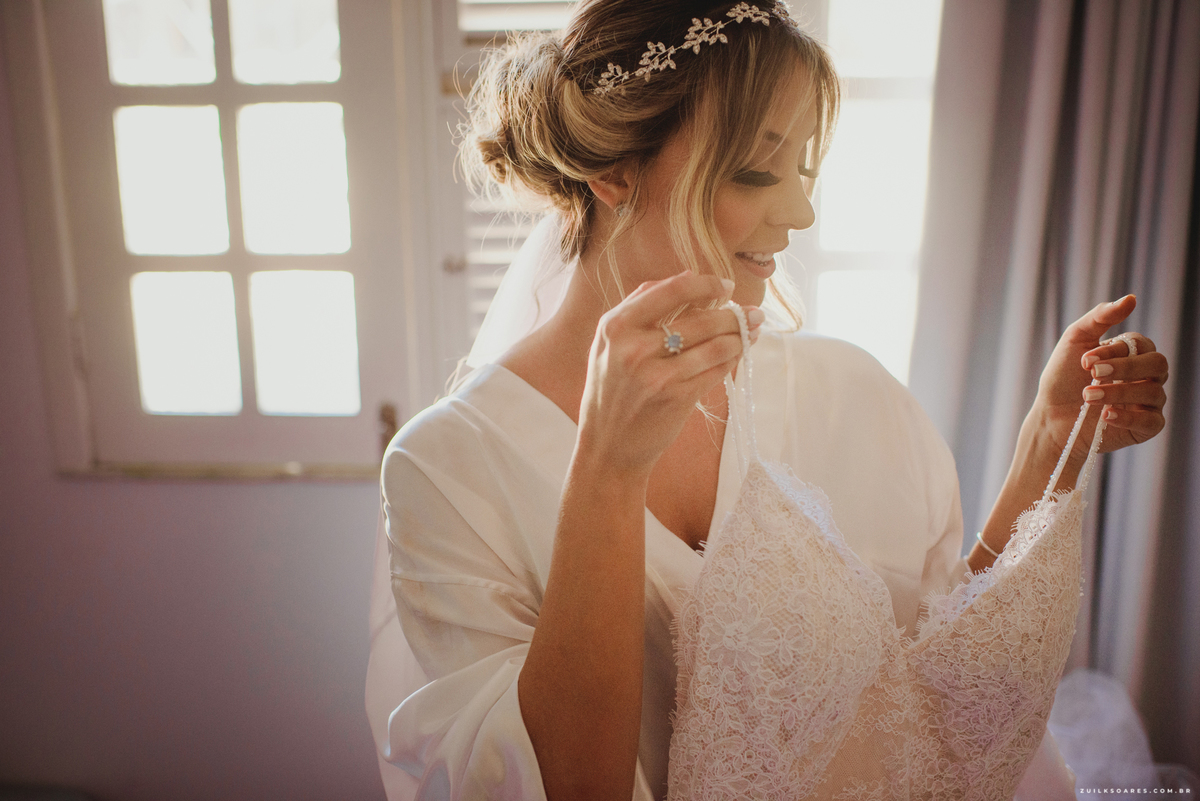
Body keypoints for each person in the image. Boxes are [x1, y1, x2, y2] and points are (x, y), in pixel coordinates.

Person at [365, 1, 1171, 799]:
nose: (799, 213)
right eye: (757, 168)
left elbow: (929, 699)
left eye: (803, 170)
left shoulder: (853, 393)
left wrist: (1047, 447)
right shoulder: (447, 471)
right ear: (614, 171)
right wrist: (608, 470)